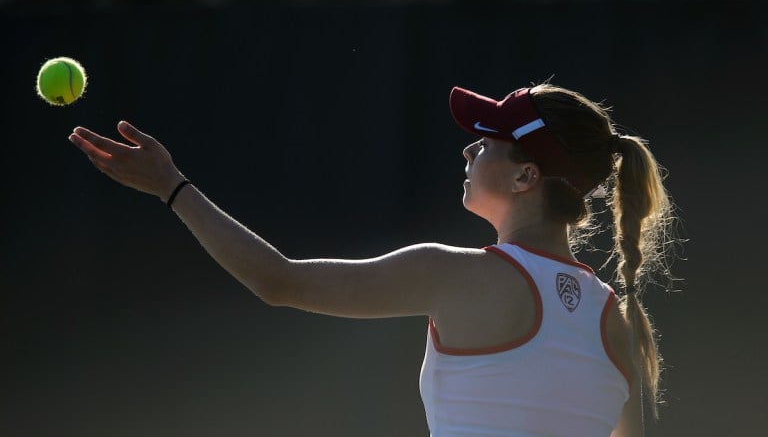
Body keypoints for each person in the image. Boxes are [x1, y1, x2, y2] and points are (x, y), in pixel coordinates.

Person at [68, 82, 679, 437]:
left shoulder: (456, 273)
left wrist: (171, 186)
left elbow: (276, 281)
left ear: (526, 175)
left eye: (487, 140)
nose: (469, 147)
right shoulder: (618, 321)